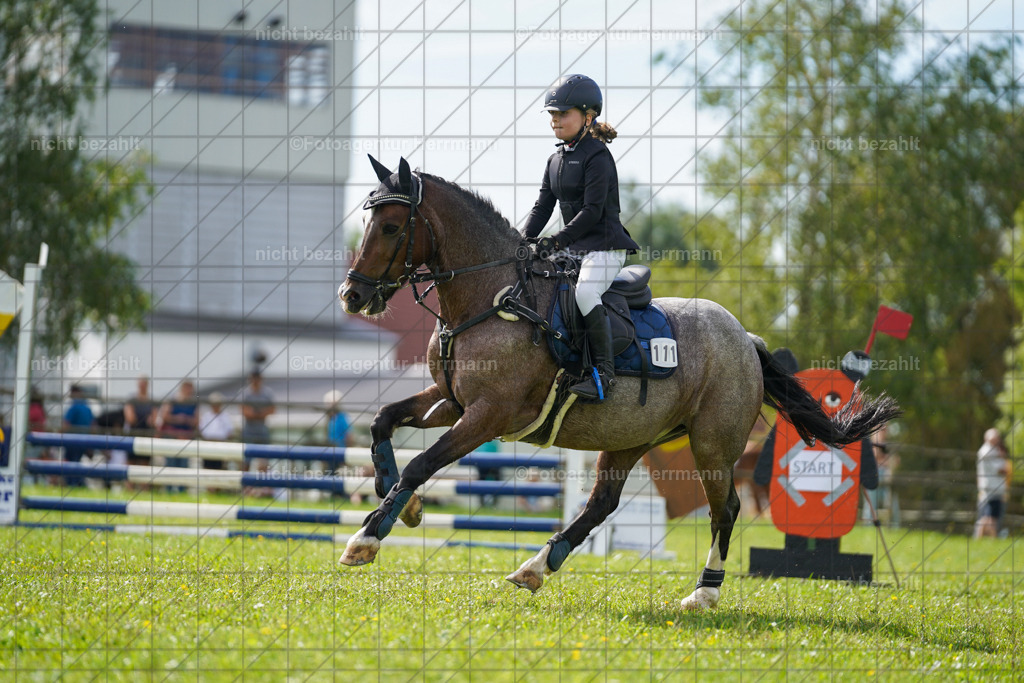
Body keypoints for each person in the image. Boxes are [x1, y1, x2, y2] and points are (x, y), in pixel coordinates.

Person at [522, 74, 640, 401]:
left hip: (605, 247)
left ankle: (604, 373)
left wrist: (555, 241)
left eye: (563, 113)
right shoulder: (555, 160)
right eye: (552, 115)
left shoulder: (598, 156)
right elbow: (541, 206)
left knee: (586, 293)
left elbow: (591, 212)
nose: (555, 120)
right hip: (573, 249)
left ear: (588, 117)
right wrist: (520, 241)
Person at [241, 371, 275, 497]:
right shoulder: (246, 393)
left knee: (264, 462)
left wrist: (256, 413)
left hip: (262, 431)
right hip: (249, 431)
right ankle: (245, 489)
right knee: (246, 462)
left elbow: (272, 409)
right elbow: (244, 411)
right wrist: (259, 413)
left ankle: (264, 490)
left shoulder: (267, 393)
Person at [975, 428, 1011, 539]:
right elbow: (1002, 470)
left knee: (988, 515)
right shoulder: (987, 452)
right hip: (992, 487)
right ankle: (990, 539)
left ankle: (979, 538)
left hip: (994, 487)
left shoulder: (992, 451)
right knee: (990, 516)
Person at [62, 384, 94, 487]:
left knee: (71, 464)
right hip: (84, 441)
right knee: (77, 462)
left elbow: (66, 424)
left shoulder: (74, 407)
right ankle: (79, 483)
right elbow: (92, 425)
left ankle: (74, 484)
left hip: (72, 441)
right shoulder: (87, 407)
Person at [199, 392, 233, 470]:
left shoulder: (225, 416)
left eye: (218, 404)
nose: (216, 406)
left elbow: (229, 431)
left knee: (220, 468)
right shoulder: (206, 416)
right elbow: (202, 430)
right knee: (207, 467)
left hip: (221, 445)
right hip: (208, 445)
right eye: (214, 404)